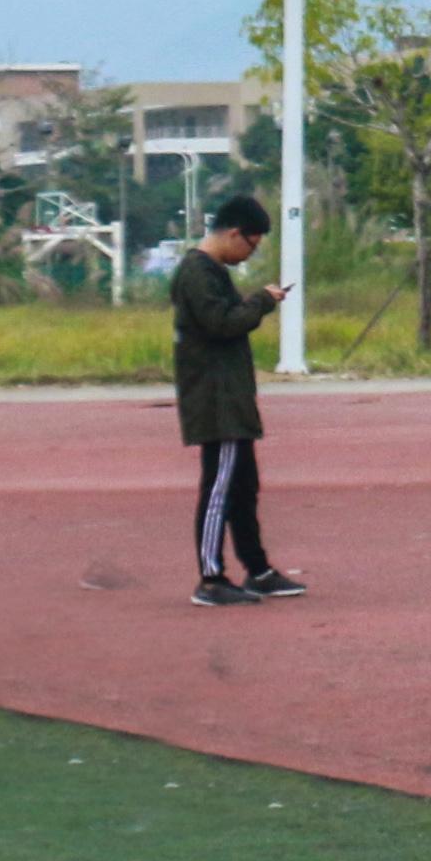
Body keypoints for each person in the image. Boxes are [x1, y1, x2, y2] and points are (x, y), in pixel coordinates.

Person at [174, 192, 303, 608]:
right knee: (219, 490)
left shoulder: (210, 271)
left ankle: (258, 569)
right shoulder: (198, 272)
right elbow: (222, 323)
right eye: (250, 244)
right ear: (234, 234)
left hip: (230, 400)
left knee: (243, 488)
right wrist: (262, 301)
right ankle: (210, 577)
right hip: (217, 402)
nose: (248, 255)